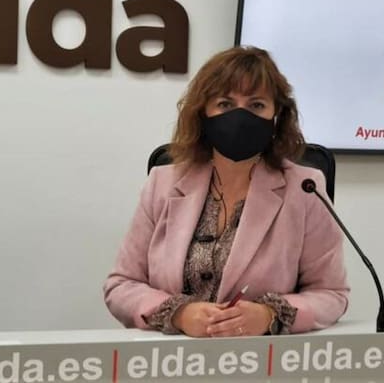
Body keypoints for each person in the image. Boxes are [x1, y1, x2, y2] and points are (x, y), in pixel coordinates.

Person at [103, 46, 349, 337]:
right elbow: (122, 286)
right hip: (171, 356)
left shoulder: (305, 188)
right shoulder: (163, 183)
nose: (240, 116)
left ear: (276, 115)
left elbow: (331, 294)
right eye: (225, 104)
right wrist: (179, 314)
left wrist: (269, 315)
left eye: (256, 105)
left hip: (261, 357)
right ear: (203, 112)